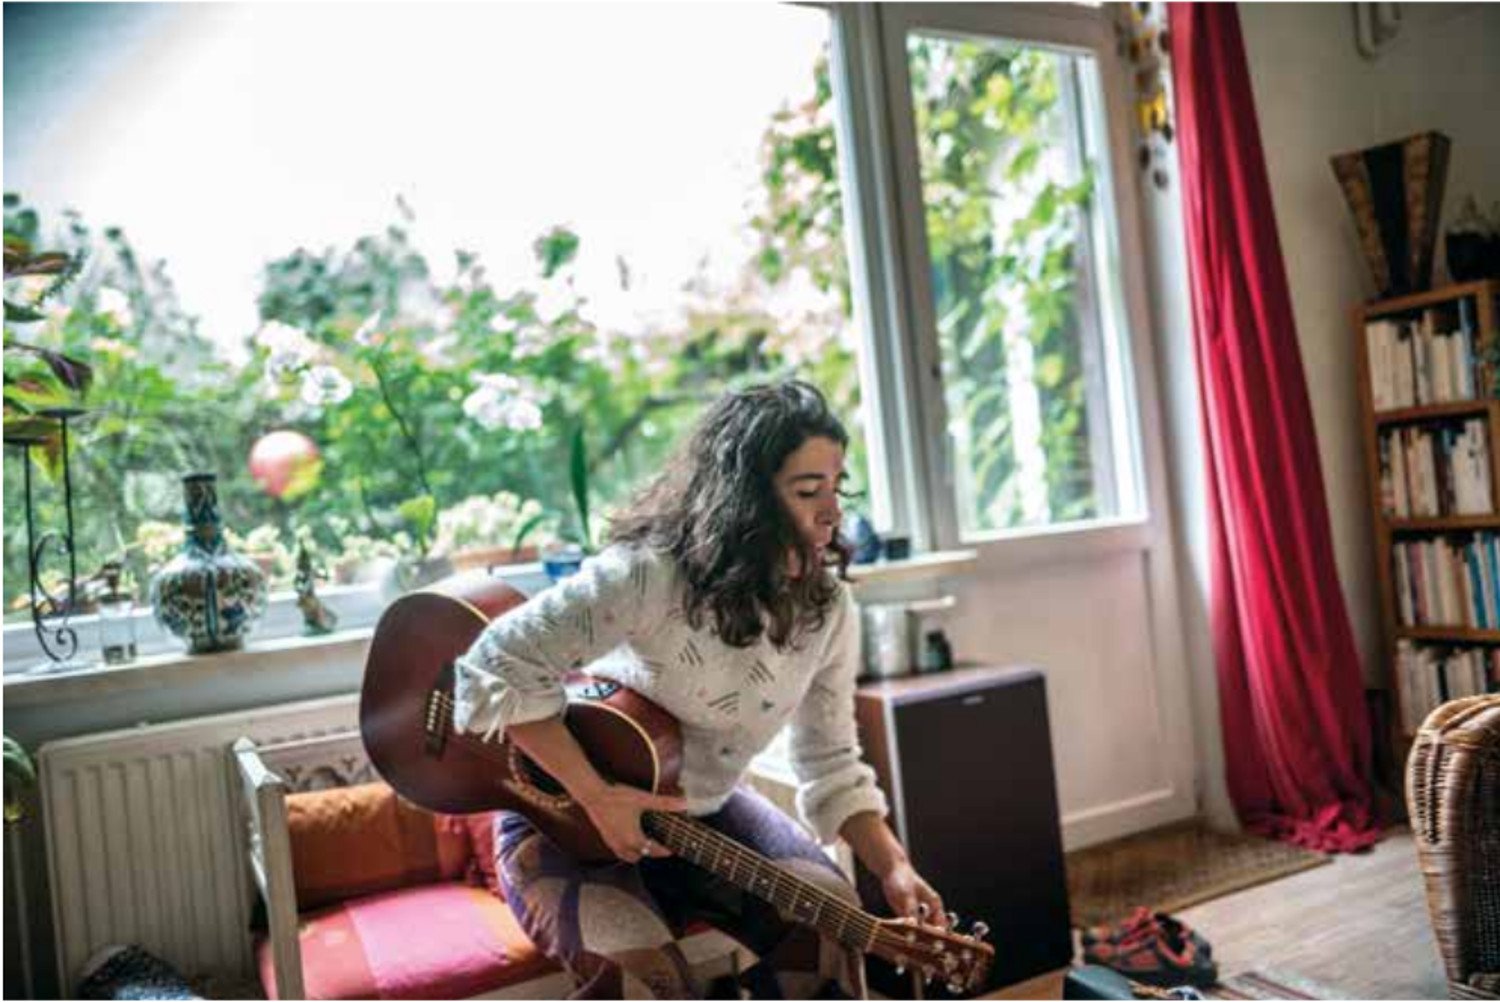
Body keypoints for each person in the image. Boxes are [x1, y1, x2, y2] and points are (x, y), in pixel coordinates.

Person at [452, 380, 945, 999]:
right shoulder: (648, 574)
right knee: (640, 975)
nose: (833, 512)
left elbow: (831, 758)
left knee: (829, 922)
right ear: (748, 499)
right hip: (562, 819)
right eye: (806, 491)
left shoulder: (828, 609)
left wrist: (893, 866)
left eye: (836, 486)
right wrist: (598, 797)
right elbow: (495, 662)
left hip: (700, 812)